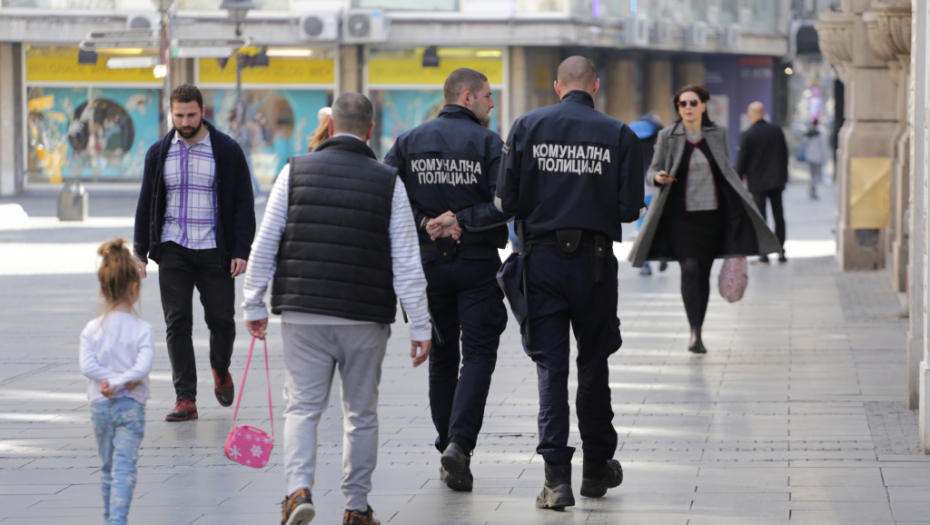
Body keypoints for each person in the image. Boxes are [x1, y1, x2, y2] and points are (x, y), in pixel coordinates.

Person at [242, 93, 432, 525]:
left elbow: (265, 242)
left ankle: (297, 492)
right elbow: (406, 260)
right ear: (370, 131)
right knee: (360, 413)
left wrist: (252, 302)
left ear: (329, 127)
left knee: (303, 408)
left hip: (303, 313)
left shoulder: (295, 171)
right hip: (365, 318)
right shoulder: (389, 182)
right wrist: (420, 325)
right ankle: (356, 507)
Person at [496, 56, 643, 510]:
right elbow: (629, 209)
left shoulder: (526, 126)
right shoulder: (619, 133)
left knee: (551, 369)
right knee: (594, 364)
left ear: (558, 85)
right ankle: (597, 467)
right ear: (595, 85)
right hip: (595, 265)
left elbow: (506, 199)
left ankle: (556, 478)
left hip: (540, 262)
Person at [383, 68, 509, 492]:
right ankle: (460, 443)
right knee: (477, 355)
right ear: (468, 97)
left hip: (427, 266)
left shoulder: (408, 141)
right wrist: (463, 219)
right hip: (475, 262)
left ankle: (447, 445)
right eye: (489, 96)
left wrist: (426, 223)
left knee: (441, 356)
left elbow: (387, 193)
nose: (493, 103)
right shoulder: (490, 143)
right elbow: (506, 201)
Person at [133, 83, 255, 422]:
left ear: (202, 111)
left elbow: (244, 205)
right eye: (178, 115)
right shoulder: (159, 153)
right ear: (171, 113)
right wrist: (140, 251)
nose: (185, 121)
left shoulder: (227, 151)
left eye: (191, 114)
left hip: (215, 249)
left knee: (222, 320)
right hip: (174, 247)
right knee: (177, 322)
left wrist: (241, 250)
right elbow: (147, 204)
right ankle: (185, 397)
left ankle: (220, 366)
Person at [628, 85, 781, 354]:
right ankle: (694, 332)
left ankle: (699, 327)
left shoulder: (717, 134)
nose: (687, 107)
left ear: (702, 106)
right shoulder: (667, 135)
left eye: (692, 102)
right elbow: (653, 167)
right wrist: (657, 177)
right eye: (682, 104)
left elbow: (725, 169)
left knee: (703, 273)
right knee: (689, 268)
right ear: (678, 109)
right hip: (679, 217)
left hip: (713, 217)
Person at [80, 239, 154, 525]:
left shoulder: (91, 330)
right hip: (131, 407)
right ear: (134, 289)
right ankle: (116, 521)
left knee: (107, 468)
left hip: (100, 405)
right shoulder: (142, 330)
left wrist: (108, 382)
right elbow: (142, 367)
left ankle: (110, 518)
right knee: (125, 468)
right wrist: (123, 382)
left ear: (102, 288)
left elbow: (88, 366)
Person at [736, 101, 790, 264]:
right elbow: (784, 154)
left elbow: (741, 161)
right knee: (778, 215)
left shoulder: (748, 134)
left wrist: (738, 181)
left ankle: (764, 253)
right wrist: (783, 176)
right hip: (776, 181)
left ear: (751, 115)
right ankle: (781, 251)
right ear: (763, 113)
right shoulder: (776, 131)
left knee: (761, 218)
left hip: (757, 182)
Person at [629, 114, 668, 277]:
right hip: (655, 180)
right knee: (659, 220)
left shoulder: (631, 131)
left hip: (639, 184)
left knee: (642, 224)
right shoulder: (659, 129)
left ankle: (645, 263)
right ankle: (662, 253)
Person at [802, 118, 830, 200]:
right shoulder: (820, 135)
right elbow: (824, 147)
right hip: (817, 158)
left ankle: (812, 187)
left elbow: (803, 144)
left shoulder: (808, 134)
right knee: (817, 174)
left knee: (813, 174)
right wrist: (824, 158)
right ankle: (813, 186)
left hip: (810, 157)